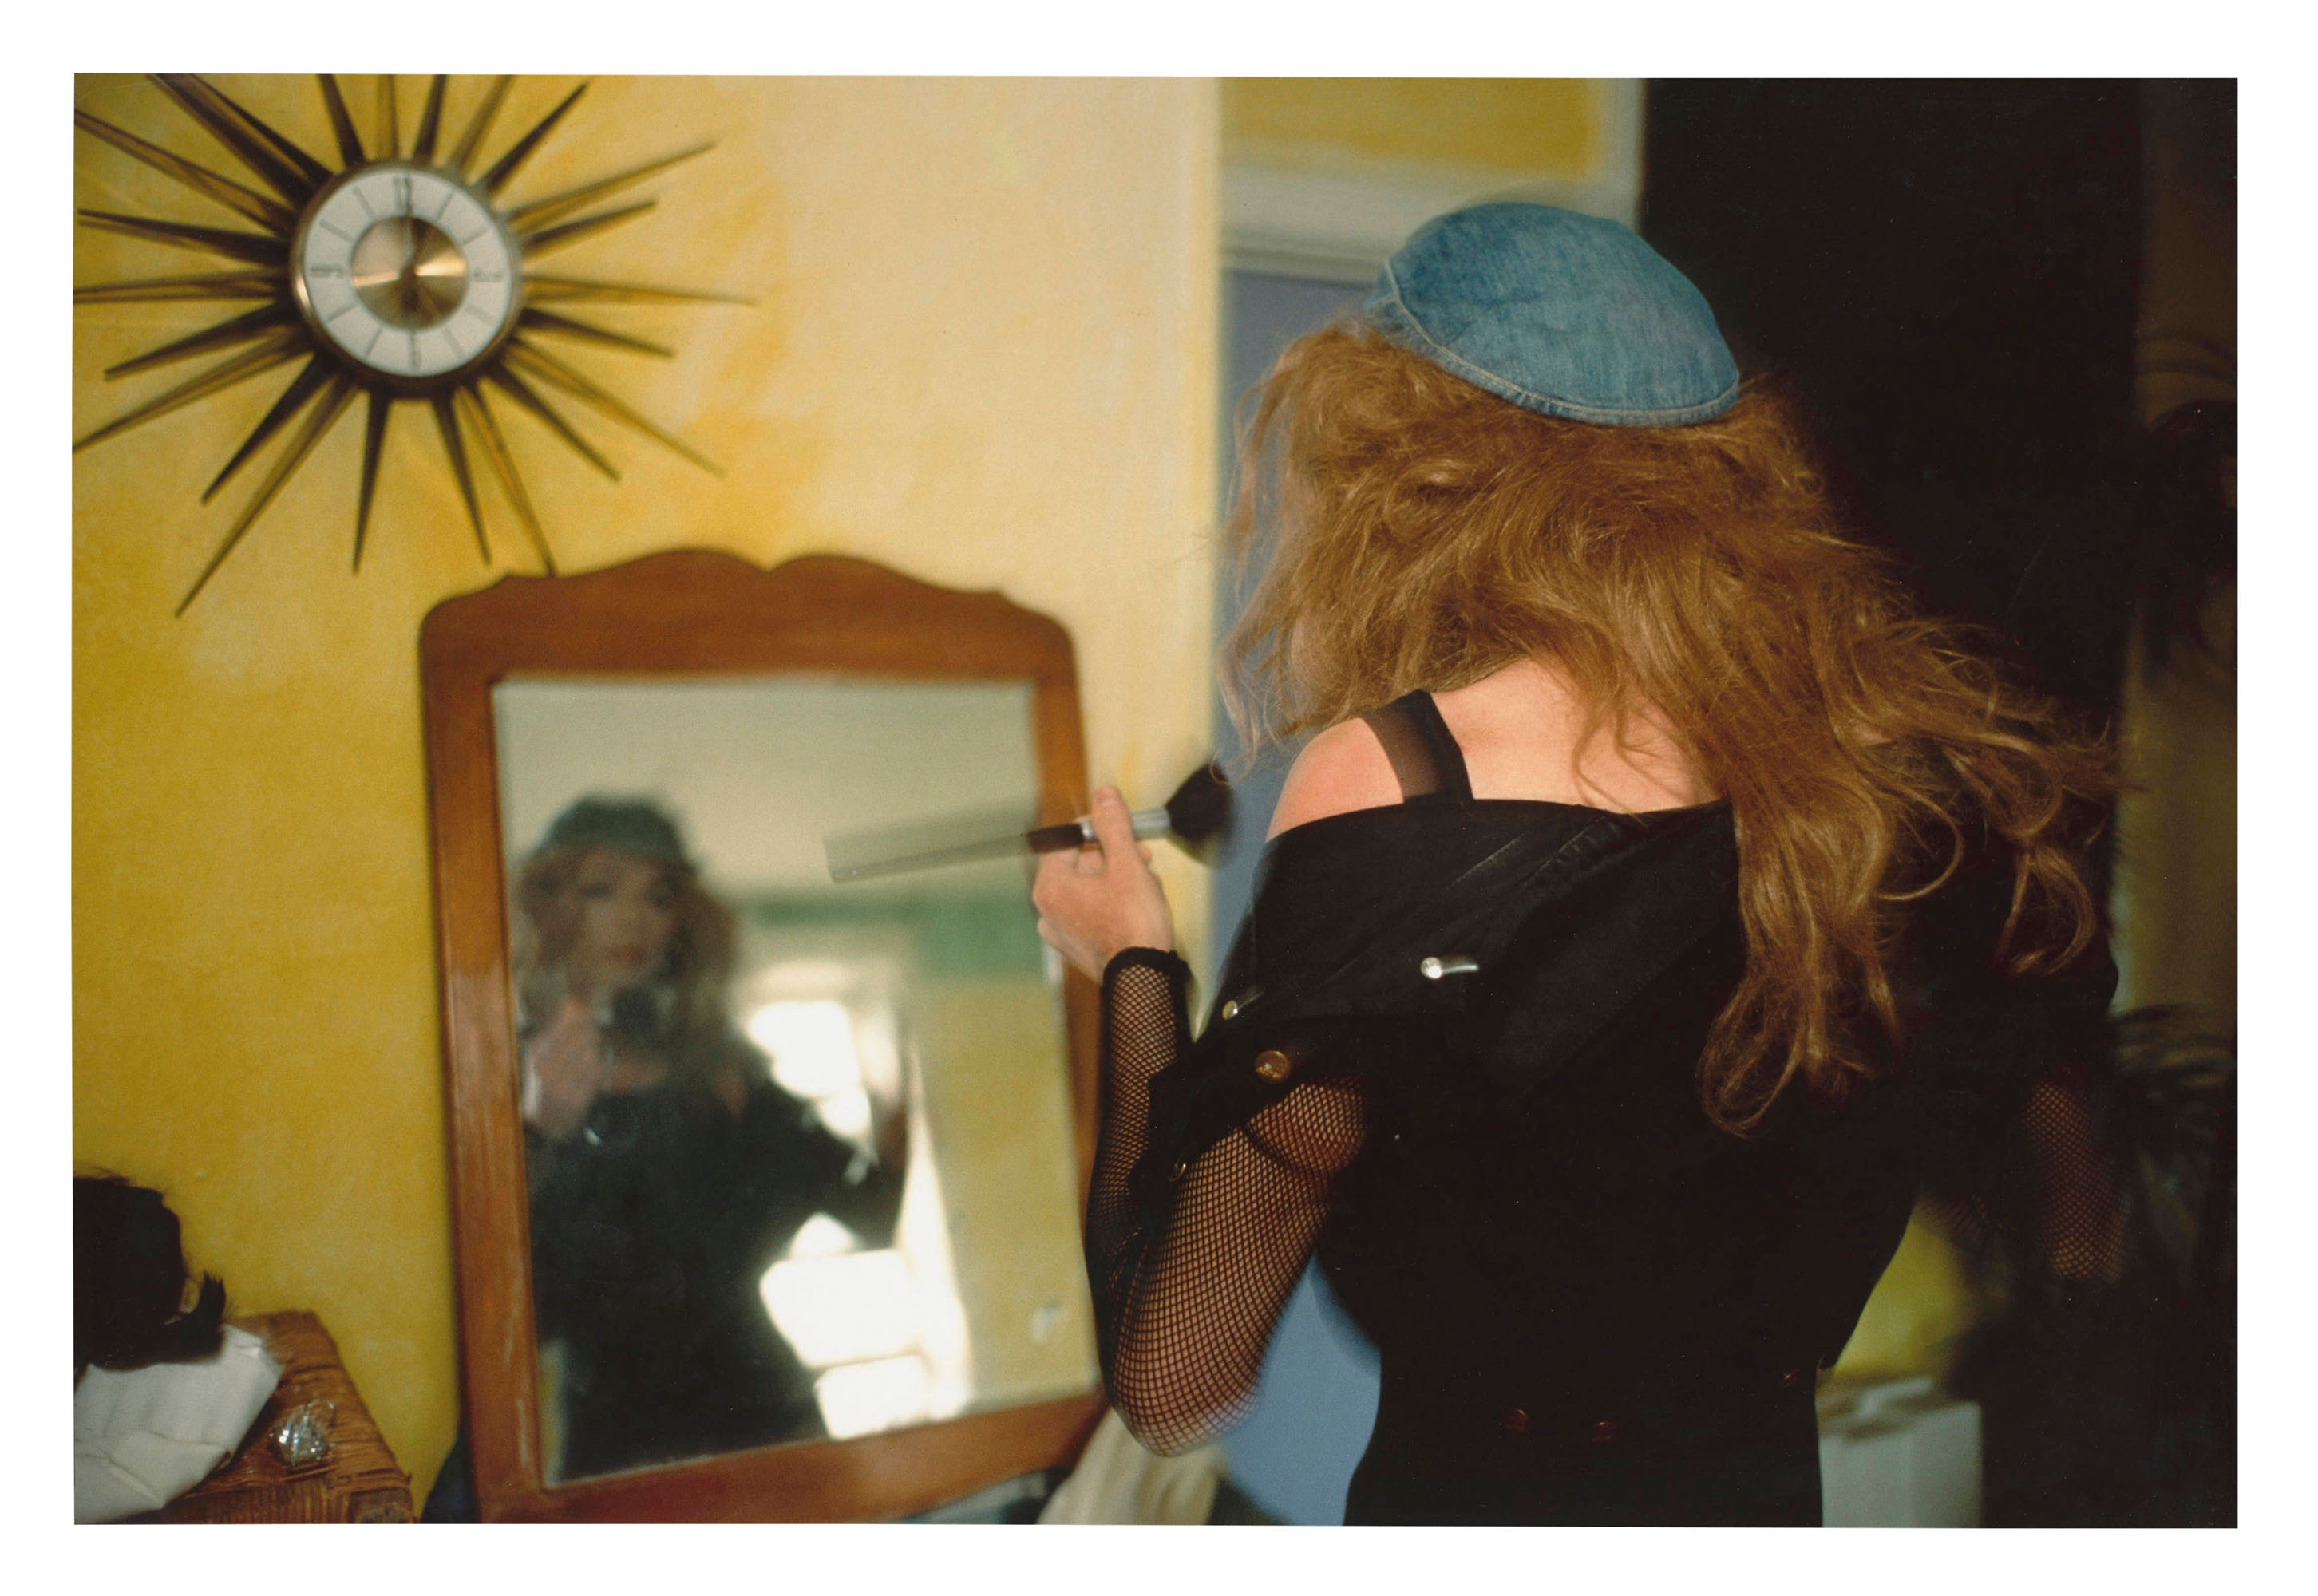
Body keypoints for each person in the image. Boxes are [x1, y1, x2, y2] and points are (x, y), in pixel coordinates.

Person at [1031, 203, 2117, 1525]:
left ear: (1410, 466)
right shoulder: (1869, 777)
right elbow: (2065, 1214)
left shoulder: (1402, 775)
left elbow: (1175, 1375)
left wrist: (1129, 966)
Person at [513, 797, 905, 1480]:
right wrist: (539, 1131)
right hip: (620, 1452)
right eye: (601, 890)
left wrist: (904, 1118)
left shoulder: (723, 1069)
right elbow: (519, 1319)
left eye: (658, 897)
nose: (633, 918)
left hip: (773, 1424)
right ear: (551, 908)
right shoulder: (500, 1068)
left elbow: (869, 1211)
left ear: (682, 922)